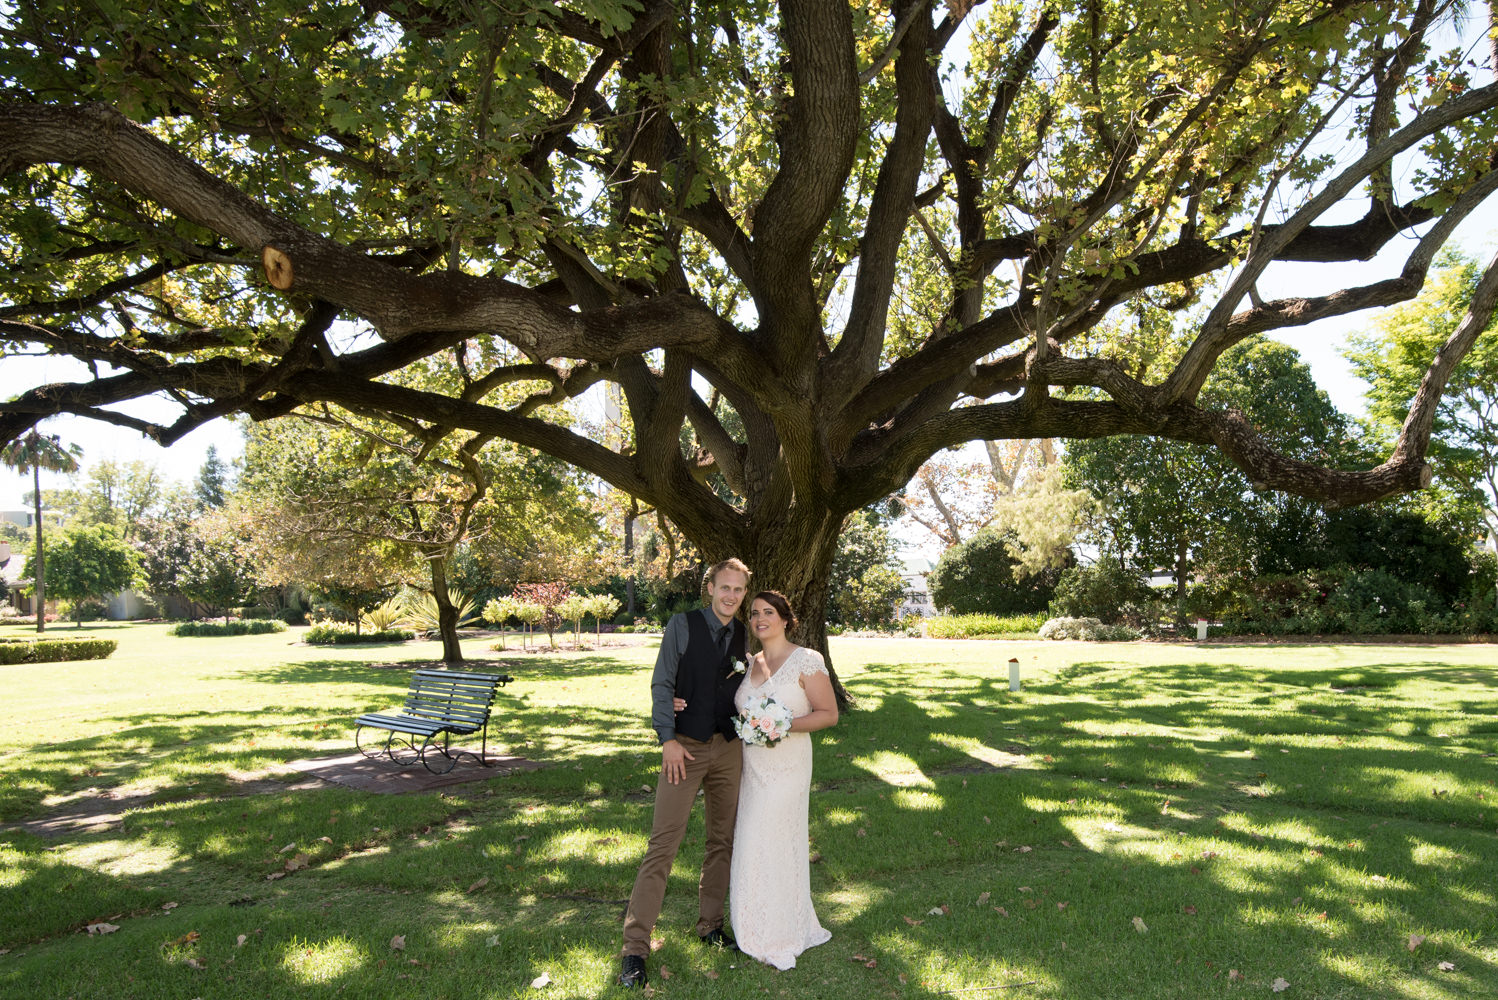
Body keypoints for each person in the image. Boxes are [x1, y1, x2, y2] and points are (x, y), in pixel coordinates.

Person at [617, 558, 751, 989]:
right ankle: (635, 947)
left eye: (738, 589)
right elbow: (662, 683)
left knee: (722, 840)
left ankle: (710, 924)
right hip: (685, 749)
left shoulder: (747, 634)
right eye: (724, 587)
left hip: (728, 750)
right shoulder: (682, 624)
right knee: (663, 844)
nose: (730, 596)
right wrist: (667, 738)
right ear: (709, 588)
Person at [728, 590, 838, 970]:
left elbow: (828, 715)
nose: (760, 618)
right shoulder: (748, 662)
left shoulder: (807, 660)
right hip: (752, 768)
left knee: (774, 836)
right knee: (752, 838)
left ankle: (781, 929)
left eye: (768, 612)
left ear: (786, 619)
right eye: (754, 612)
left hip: (788, 767)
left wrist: (781, 724)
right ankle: (752, 922)